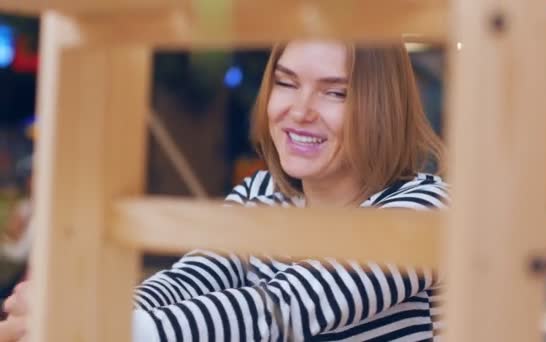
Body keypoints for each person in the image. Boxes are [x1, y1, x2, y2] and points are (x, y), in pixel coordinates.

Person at [1, 39, 449, 342]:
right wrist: (76, 311)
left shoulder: (425, 206)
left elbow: (287, 309)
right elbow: (189, 281)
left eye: (336, 93)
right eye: (286, 83)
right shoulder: (263, 193)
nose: (299, 110)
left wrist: (96, 324)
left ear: (382, 107)